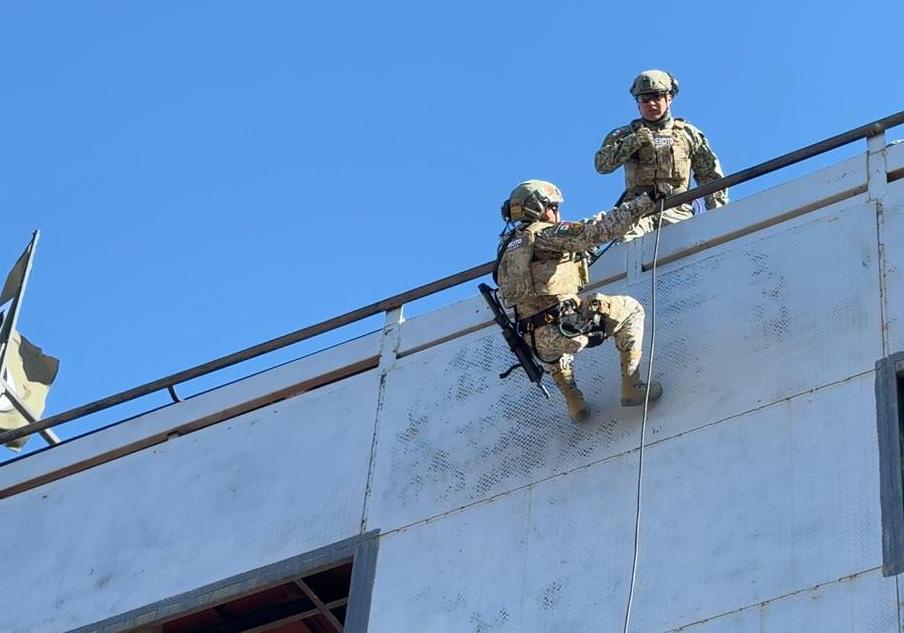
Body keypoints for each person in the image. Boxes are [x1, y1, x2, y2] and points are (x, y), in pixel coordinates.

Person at [495, 179, 663, 422]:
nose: (556, 212)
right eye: (552, 206)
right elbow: (594, 230)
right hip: (566, 326)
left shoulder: (508, 246)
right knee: (632, 310)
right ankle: (632, 387)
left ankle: (575, 403)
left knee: (553, 344)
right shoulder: (546, 233)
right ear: (539, 208)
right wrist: (643, 202)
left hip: (534, 340)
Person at [594, 69, 728, 241]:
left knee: (685, 252)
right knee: (627, 254)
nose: (651, 104)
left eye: (657, 96)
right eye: (645, 99)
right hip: (636, 212)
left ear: (669, 98)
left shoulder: (688, 134)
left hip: (677, 209)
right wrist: (632, 142)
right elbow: (602, 165)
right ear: (638, 103)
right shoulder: (624, 135)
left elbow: (710, 176)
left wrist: (718, 215)